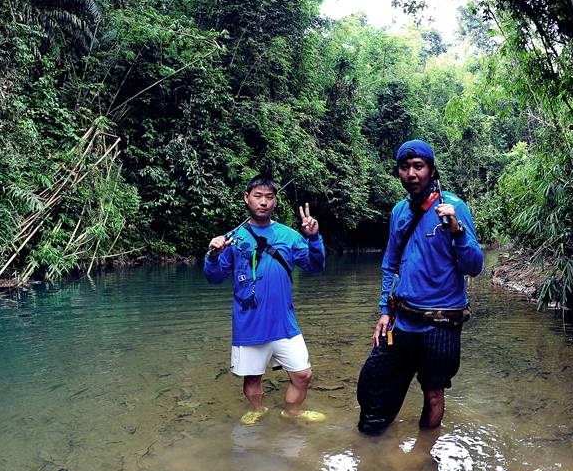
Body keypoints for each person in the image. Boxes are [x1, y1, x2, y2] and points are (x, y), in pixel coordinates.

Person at [357, 140, 483, 435]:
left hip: (441, 323)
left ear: (430, 170)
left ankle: (423, 457)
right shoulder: (399, 212)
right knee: (373, 381)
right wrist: (384, 312)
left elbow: (474, 267)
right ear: (399, 172)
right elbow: (390, 264)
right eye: (405, 167)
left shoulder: (454, 208)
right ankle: (373, 448)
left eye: (418, 166)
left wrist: (457, 229)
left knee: (433, 393)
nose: (411, 173)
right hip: (402, 320)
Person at [204, 175, 326, 425]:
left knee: (302, 374)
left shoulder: (290, 236)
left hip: (284, 323)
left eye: (269, 197)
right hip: (248, 324)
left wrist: (313, 238)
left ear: (275, 201)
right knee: (252, 377)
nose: (263, 202)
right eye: (258, 196)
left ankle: (292, 412)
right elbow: (214, 278)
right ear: (246, 198)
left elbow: (315, 266)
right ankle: (258, 409)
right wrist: (213, 255)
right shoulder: (233, 238)